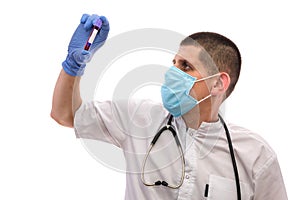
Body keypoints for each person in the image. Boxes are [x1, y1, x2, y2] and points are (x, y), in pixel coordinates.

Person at [51, 13, 288, 200]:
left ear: (218, 83)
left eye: (185, 66)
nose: (172, 72)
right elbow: (64, 114)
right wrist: (74, 67)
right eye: (173, 63)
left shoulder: (255, 156)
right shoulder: (139, 119)